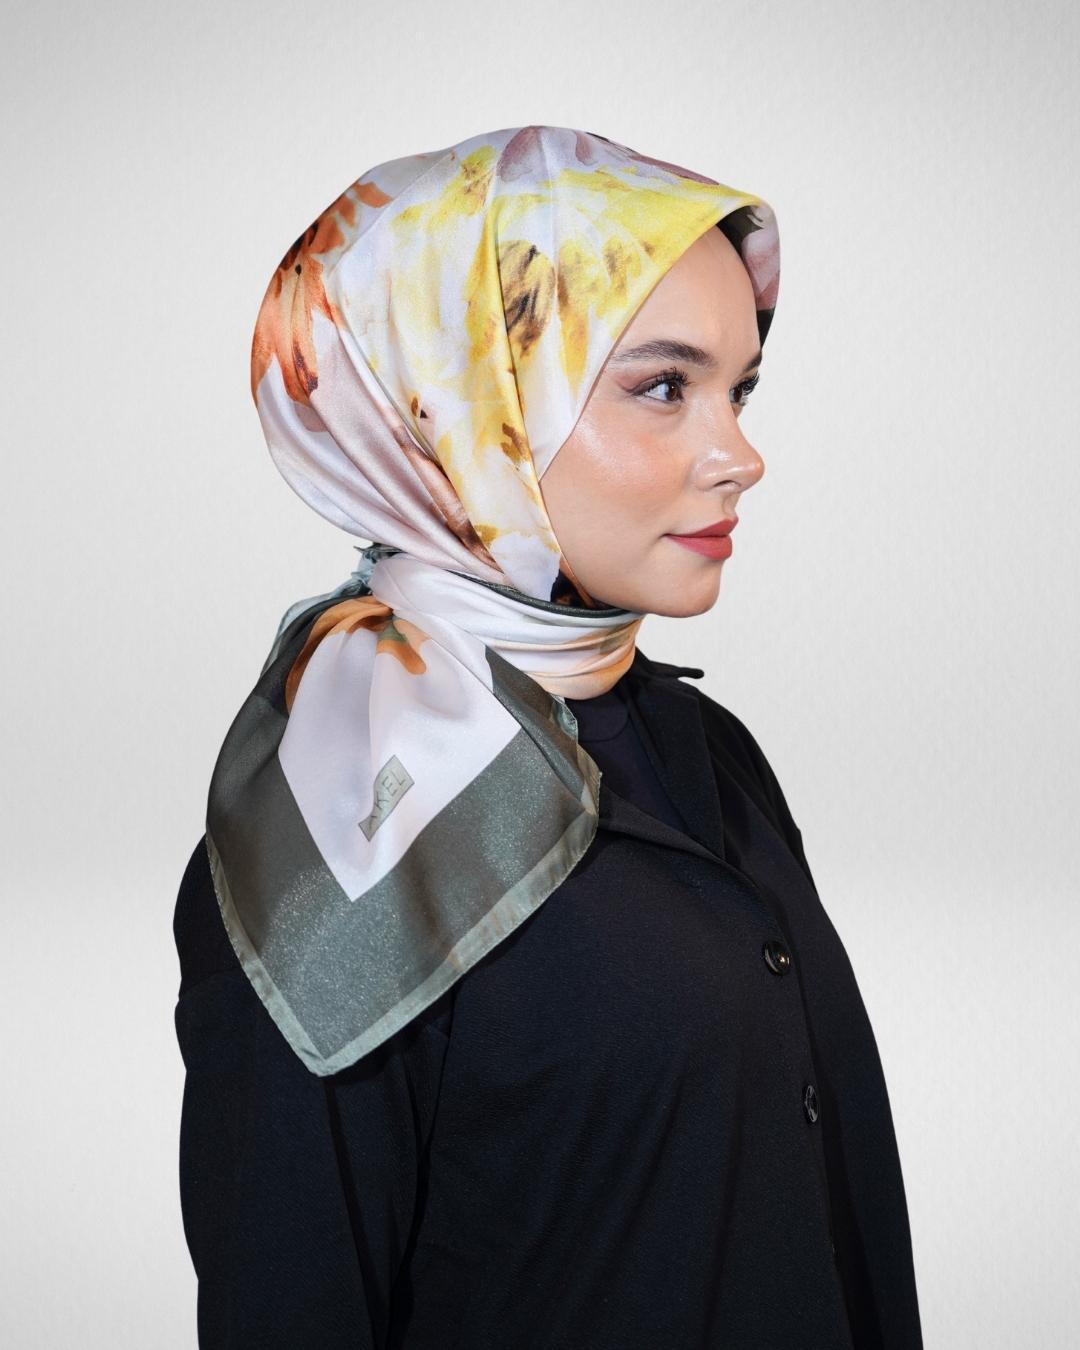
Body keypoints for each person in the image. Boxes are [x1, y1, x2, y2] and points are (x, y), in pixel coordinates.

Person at [172, 124, 923, 1348]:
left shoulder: (705, 749)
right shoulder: (340, 839)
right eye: (664, 387)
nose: (741, 456)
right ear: (464, 406)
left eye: (740, 390)